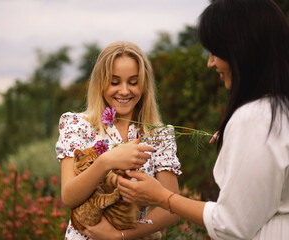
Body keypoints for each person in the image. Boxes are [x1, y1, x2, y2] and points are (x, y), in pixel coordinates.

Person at [113, 0, 289, 239]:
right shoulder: (279, 109)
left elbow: (232, 225)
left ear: (242, 49)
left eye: (216, 51)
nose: (210, 62)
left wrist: (161, 197)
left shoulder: (257, 117)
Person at [55, 41, 182, 240]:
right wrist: (106, 162)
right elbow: (69, 197)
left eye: (133, 82)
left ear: (144, 85)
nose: (124, 91)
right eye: (114, 82)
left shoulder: (159, 135)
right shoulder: (78, 125)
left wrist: (121, 235)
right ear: (100, 83)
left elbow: (172, 206)